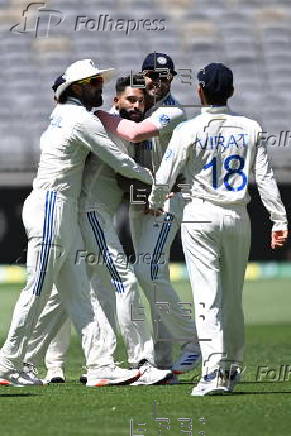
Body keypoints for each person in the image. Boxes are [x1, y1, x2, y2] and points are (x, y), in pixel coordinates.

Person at [0, 59, 153, 387]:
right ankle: (7, 363)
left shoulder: (62, 114)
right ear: (78, 88)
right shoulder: (79, 119)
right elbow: (119, 161)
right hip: (51, 207)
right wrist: (156, 179)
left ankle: (100, 365)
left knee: (78, 293)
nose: (101, 87)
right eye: (95, 83)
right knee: (38, 289)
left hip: (61, 209)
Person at [147, 62, 289, 396]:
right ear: (232, 91)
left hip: (200, 215)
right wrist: (279, 220)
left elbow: (166, 175)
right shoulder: (251, 127)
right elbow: (265, 178)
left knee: (207, 298)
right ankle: (231, 369)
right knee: (232, 299)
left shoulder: (188, 129)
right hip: (238, 216)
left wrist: (155, 199)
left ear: (200, 91)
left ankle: (212, 375)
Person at [96, 53, 201, 372]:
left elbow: (136, 134)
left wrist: (99, 115)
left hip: (166, 200)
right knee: (155, 276)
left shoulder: (173, 110)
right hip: (141, 201)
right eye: (152, 75)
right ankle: (163, 360)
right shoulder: (138, 103)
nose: (157, 81)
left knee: (147, 273)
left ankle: (194, 342)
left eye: (165, 77)